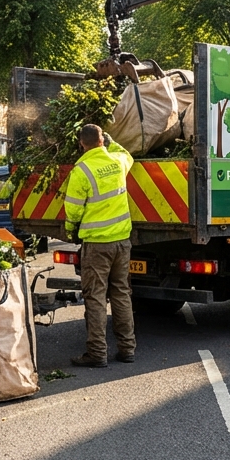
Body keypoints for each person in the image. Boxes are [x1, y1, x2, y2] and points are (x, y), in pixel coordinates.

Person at [63, 124, 135, 368]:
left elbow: (73, 209)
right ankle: (127, 349)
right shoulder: (117, 162)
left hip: (96, 244)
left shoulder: (81, 171)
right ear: (102, 140)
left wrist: (71, 230)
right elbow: (128, 155)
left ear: (82, 144)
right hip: (122, 242)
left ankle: (97, 353)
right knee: (121, 294)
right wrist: (113, 143)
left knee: (95, 298)